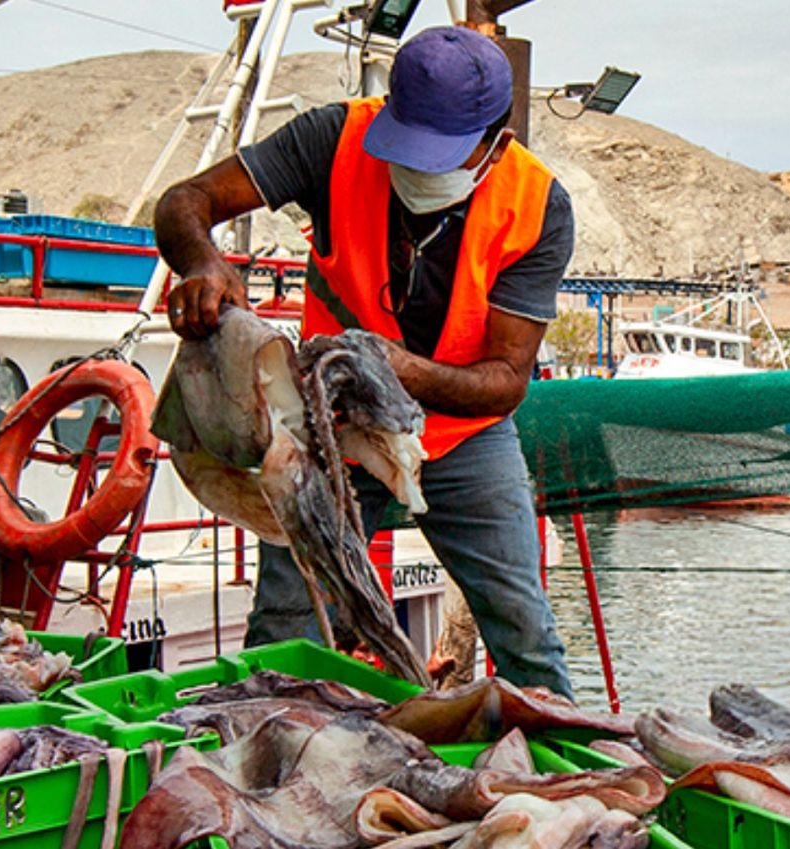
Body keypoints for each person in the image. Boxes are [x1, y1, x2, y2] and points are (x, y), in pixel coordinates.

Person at [155, 26, 575, 698]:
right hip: (330, 424)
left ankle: (571, 773)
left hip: (462, 432)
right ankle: (259, 756)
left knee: (523, 626)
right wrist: (203, 261)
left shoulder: (538, 207)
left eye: (438, 157)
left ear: (495, 141)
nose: (416, 171)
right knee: (288, 619)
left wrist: (393, 367)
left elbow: (504, 382)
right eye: (406, 149)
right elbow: (185, 202)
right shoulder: (332, 139)